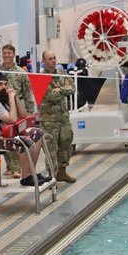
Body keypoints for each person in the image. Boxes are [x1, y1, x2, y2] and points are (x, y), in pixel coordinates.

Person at [0, 73, 45, 187]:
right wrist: (11, 99)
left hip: (5, 136)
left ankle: (31, 173)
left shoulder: (1, 99)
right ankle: (26, 177)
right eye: (0, 84)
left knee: (37, 133)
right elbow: (12, 119)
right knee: (25, 142)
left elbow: (23, 114)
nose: (4, 87)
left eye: (5, 84)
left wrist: (16, 98)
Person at [0, 43, 35, 179]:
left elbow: (28, 94)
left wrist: (30, 113)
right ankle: (10, 167)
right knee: (5, 137)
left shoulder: (20, 73)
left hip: (18, 110)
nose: (6, 55)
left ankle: (18, 168)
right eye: (4, 53)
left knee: (17, 139)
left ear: (13, 55)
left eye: (9, 53)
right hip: (3, 111)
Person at [39, 50, 77, 183]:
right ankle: (51, 176)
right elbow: (50, 96)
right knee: (51, 150)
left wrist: (60, 89)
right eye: (50, 59)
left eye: (54, 58)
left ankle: (62, 172)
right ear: (43, 61)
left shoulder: (62, 73)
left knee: (65, 145)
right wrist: (64, 90)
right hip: (49, 121)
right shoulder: (40, 77)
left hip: (63, 118)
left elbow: (72, 88)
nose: (53, 61)